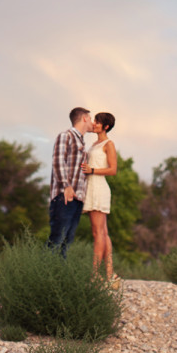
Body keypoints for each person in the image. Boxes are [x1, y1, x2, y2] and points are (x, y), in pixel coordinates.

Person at [47, 107, 93, 256]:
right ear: (85, 118)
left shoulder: (81, 142)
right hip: (64, 196)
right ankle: (42, 276)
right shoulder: (65, 136)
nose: (92, 122)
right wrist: (66, 186)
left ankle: (59, 277)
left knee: (67, 242)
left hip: (77, 198)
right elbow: (58, 161)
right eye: (90, 119)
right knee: (57, 239)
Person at [81, 111, 118, 280]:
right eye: (94, 120)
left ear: (106, 126)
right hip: (91, 186)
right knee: (103, 232)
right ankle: (110, 274)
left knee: (98, 233)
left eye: (97, 121)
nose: (94, 123)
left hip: (99, 187)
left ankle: (95, 275)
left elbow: (113, 169)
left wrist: (92, 170)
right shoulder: (95, 143)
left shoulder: (109, 144)